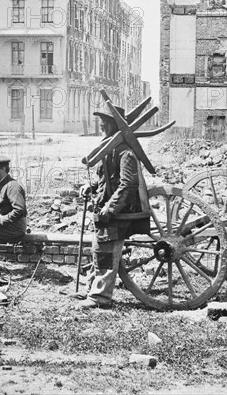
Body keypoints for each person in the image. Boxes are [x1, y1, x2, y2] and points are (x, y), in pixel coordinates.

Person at [76, 104, 150, 309]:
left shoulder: (125, 152)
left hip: (119, 213)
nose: (101, 125)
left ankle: (100, 297)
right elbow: (104, 180)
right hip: (105, 210)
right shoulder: (108, 149)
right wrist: (89, 187)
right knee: (98, 251)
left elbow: (128, 184)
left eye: (106, 122)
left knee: (106, 254)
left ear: (115, 126)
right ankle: (91, 289)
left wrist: (109, 209)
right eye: (102, 121)